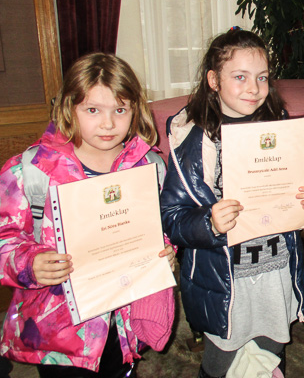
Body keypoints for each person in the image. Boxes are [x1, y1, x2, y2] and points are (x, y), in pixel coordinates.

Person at [159, 28, 304, 378]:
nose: (253, 88)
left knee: (271, 351)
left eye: (262, 77)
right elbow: (171, 217)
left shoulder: (281, 131)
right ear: (213, 80)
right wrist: (208, 223)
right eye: (240, 77)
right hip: (225, 280)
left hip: (276, 269)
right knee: (220, 360)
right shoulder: (192, 143)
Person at [0, 53, 176, 377]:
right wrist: (29, 263)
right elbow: (4, 239)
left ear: (135, 110)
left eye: (120, 110)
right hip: (59, 334)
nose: (108, 124)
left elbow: (161, 224)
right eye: (92, 110)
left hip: (123, 321)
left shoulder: (150, 166)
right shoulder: (31, 171)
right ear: (69, 108)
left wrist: (165, 249)